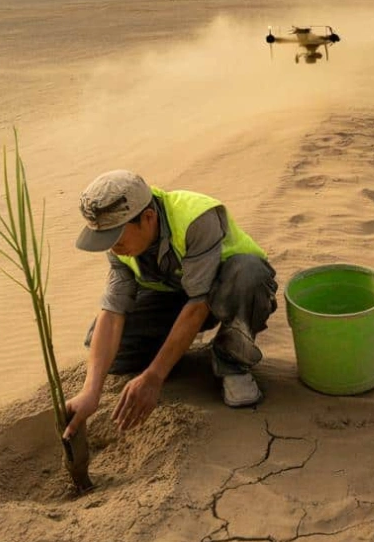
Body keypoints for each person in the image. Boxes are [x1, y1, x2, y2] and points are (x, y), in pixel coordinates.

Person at [62, 170, 278, 438]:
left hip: (230, 289)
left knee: (249, 274)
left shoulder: (196, 218)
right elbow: (113, 311)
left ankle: (231, 361)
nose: (113, 247)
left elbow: (200, 303)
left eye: (117, 238)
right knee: (111, 352)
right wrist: (90, 392)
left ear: (148, 218)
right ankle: (177, 351)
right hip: (176, 296)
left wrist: (154, 377)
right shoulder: (121, 247)